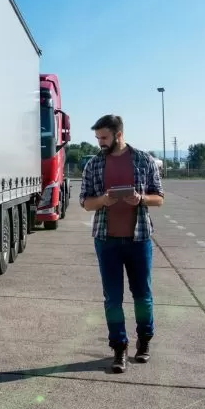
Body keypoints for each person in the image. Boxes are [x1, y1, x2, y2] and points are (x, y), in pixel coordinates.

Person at [79, 114, 164, 373]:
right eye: (97, 138)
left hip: (139, 240)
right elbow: (84, 202)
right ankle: (119, 349)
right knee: (112, 299)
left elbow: (159, 198)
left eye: (103, 137)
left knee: (143, 297)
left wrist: (140, 199)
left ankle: (145, 341)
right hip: (106, 242)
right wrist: (103, 200)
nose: (100, 143)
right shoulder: (93, 165)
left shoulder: (143, 160)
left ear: (118, 134)